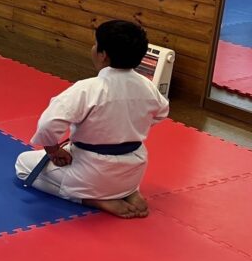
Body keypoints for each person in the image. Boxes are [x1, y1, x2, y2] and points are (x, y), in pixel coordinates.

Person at [14, 19, 170, 219]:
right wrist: (129, 126)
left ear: (103, 55)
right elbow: (161, 112)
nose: (93, 48)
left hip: (91, 173)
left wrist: (53, 150)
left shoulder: (87, 89)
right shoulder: (147, 86)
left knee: (23, 164)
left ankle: (91, 199)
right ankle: (129, 192)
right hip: (132, 171)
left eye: (96, 44)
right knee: (117, 176)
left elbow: (48, 125)